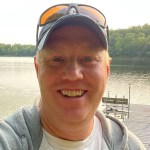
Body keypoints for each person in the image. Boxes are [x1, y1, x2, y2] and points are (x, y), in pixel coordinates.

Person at [0, 3, 146, 150]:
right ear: (37, 69)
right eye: (57, 59)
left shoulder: (131, 146)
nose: (73, 75)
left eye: (88, 59)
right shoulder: (8, 141)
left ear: (107, 70)